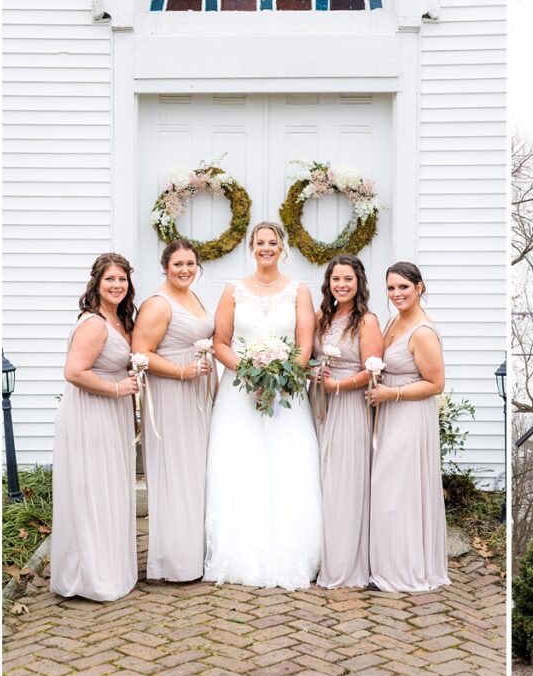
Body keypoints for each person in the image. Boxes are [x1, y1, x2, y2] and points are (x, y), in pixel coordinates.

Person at [203, 222, 323, 589]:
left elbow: (304, 342)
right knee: (242, 465)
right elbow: (220, 342)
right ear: (251, 247)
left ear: (282, 248)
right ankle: (242, 553)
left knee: (289, 465)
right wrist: (249, 371)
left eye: (272, 242)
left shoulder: (299, 291)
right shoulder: (233, 290)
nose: (266, 248)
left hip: (286, 394)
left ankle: (292, 552)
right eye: (260, 242)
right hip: (240, 393)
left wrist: (284, 376)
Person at [50, 253, 140, 601]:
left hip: (111, 412)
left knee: (109, 489)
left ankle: (109, 567)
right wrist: (117, 388)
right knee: (93, 490)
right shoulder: (94, 323)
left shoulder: (119, 319)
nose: (117, 285)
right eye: (110, 280)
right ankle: (90, 576)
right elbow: (74, 372)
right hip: (90, 412)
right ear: (96, 284)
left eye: (122, 279)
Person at [131, 240, 214, 582]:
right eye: (178, 264)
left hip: (196, 394)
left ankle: (194, 554)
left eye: (190, 264)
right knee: (175, 472)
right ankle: (176, 562)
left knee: (194, 472)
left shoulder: (193, 296)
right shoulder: (158, 304)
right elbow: (140, 354)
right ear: (165, 266)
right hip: (172, 395)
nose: (185, 270)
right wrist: (182, 371)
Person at [366, 262, 450, 593]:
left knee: (399, 490)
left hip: (410, 415)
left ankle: (404, 570)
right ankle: (387, 564)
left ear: (419, 288)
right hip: (389, 412)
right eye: (391, 288)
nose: (396, 293)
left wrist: (393, 393)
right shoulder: (393, 321)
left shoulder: (423, 332)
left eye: (403, 287)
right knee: (387, 488)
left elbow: (436, 383)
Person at [313, 255, 383, 588]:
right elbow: (307, 356)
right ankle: (320, 555)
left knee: (344, 482)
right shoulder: (321, 317)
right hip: (318, 404)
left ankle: (344, 563)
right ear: (328, 283)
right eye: (336, 279)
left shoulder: (366, 321)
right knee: (321, 480)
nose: (341, 285)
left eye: (348, 279)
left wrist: (339, 386)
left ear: (359, 283)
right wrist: (314, 374)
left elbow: (373, 370)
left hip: (349, 405)